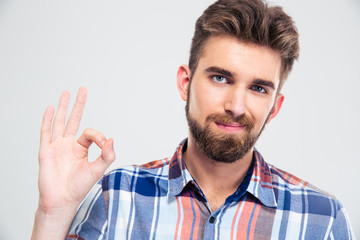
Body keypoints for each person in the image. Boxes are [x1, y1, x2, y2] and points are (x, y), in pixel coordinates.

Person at [31, 0, 355, 239]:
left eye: (258, 88)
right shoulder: (117, 196)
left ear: (275, 106)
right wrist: (52, 214)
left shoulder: (323, 219)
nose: (236, 106)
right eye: (220, 78)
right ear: (185, 83)